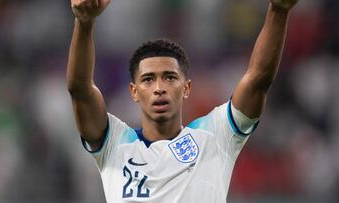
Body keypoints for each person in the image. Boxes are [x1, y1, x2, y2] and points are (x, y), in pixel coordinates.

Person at [66, 0, 298, 202]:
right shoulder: (114, 144)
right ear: (134, 92)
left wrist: (278, 11)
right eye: (148, 80)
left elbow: (258, 80)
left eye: (169, 78)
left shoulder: (216, 136)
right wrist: (84, 24)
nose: (159, 88)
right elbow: (80, 90)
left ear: (186, 88)